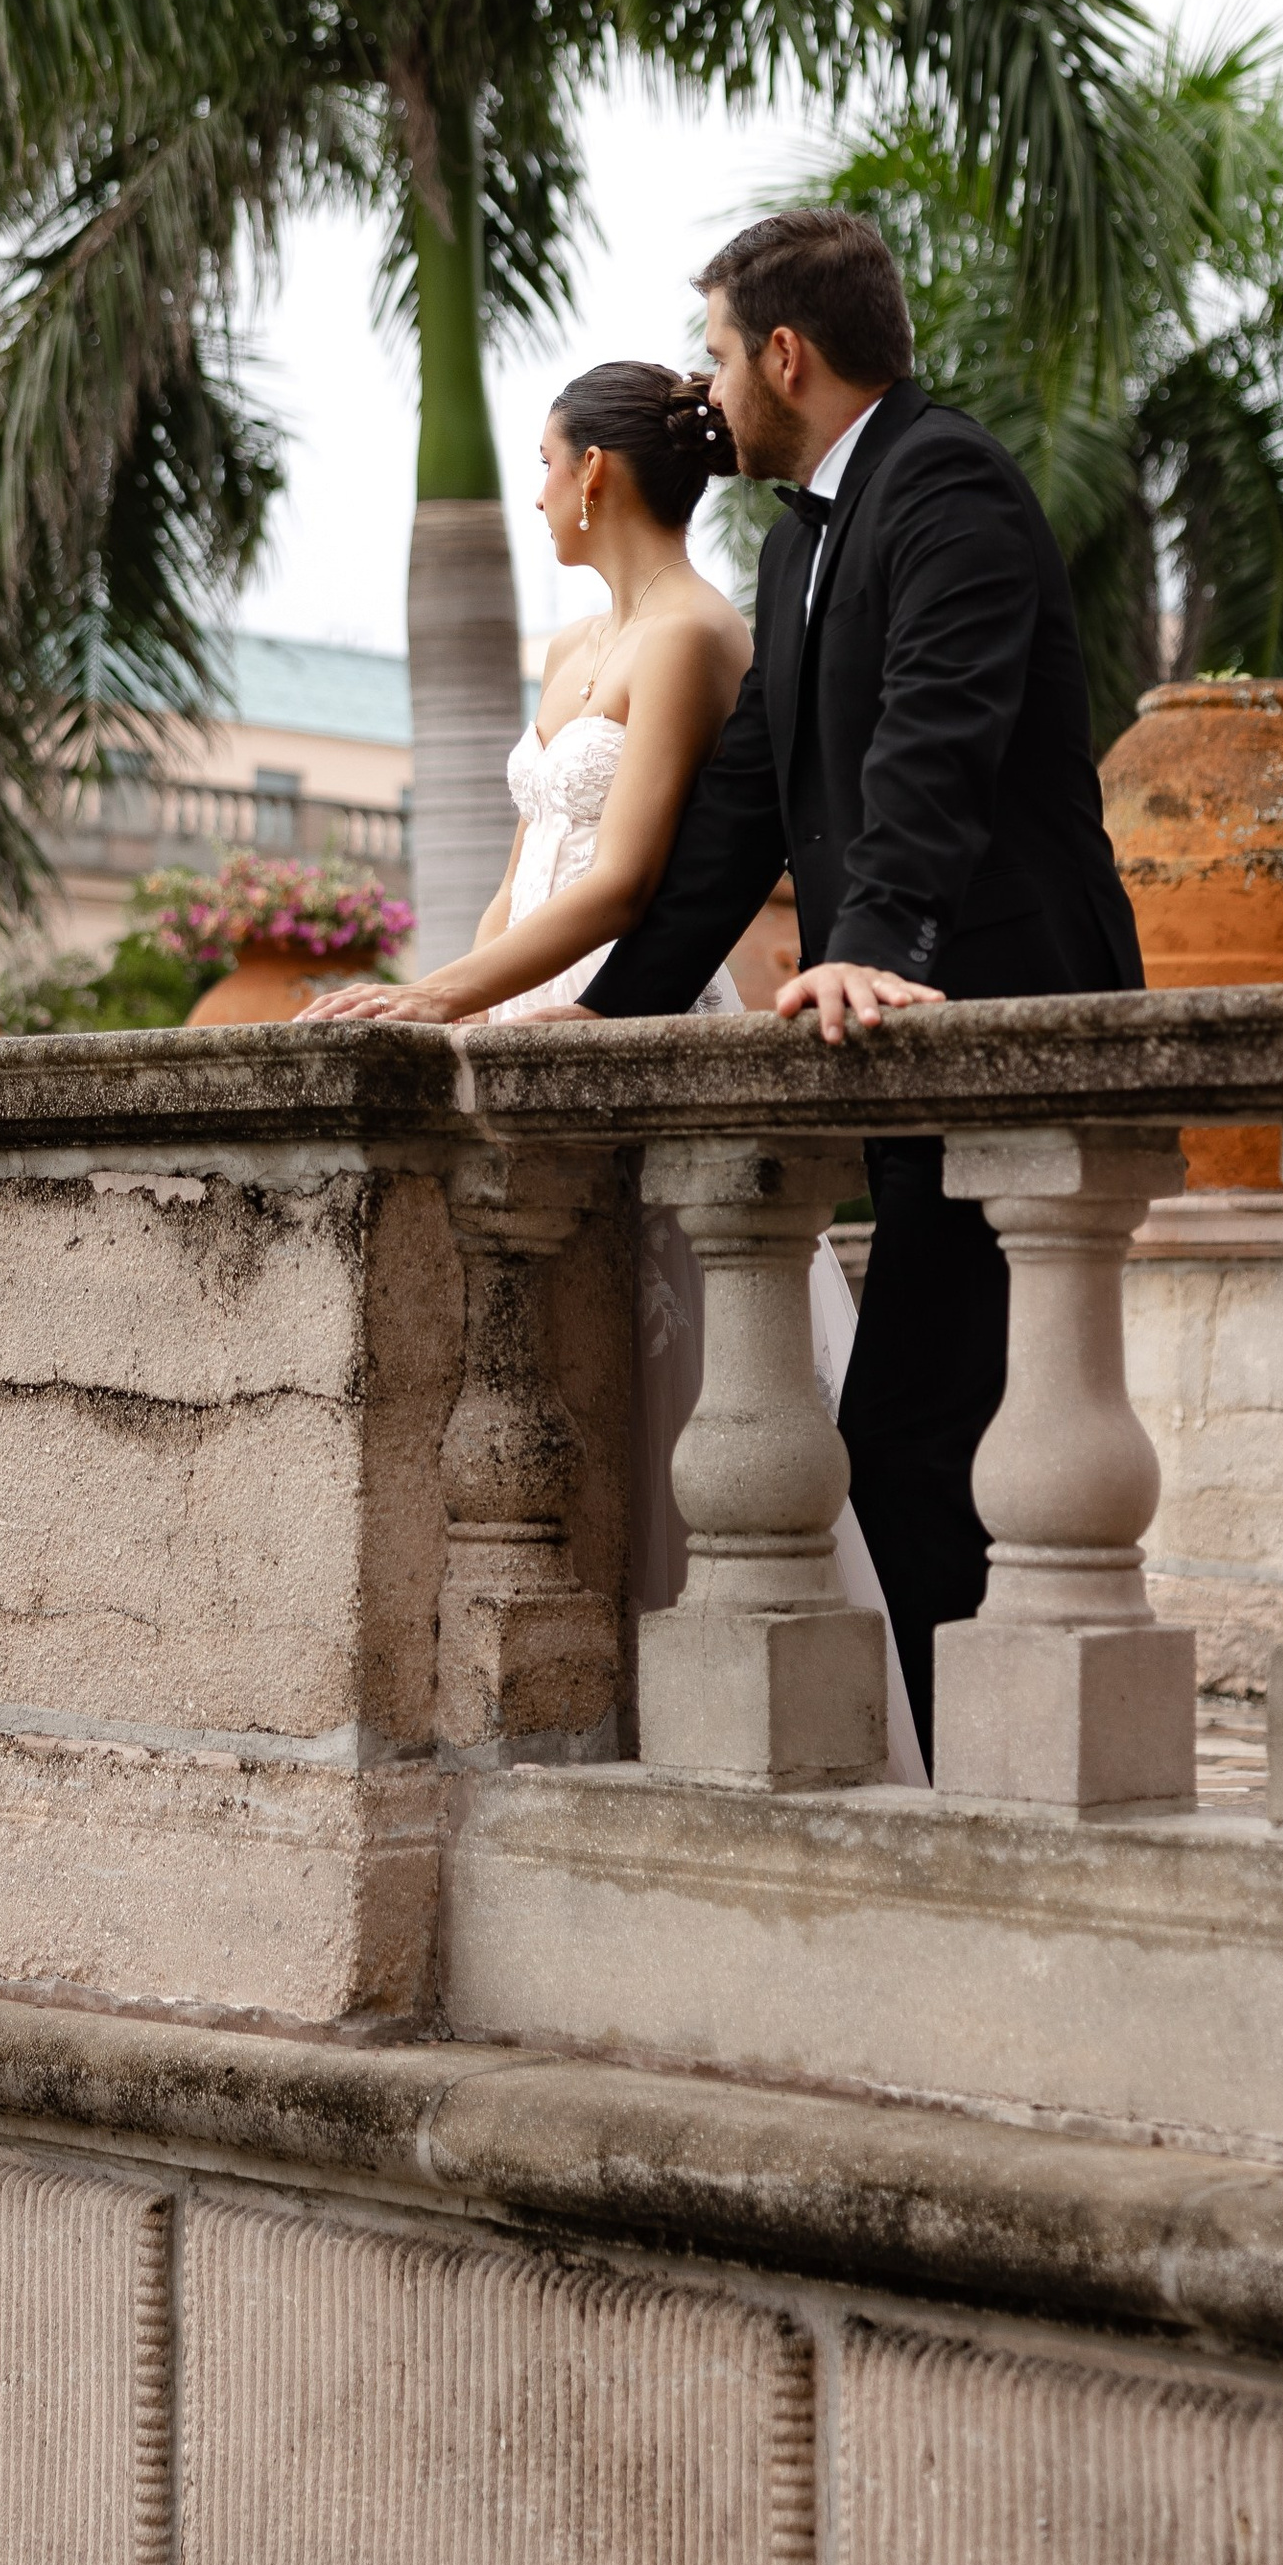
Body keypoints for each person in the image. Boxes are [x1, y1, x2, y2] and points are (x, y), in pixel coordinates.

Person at [300, 355, 928, 1784]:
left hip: (621, 1011)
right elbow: (526, 870)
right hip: (521, 1004)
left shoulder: (697, 634)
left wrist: (453, 998)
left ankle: (709, 1729)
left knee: (667, 1382)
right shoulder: (570, 648)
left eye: (543, 461)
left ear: (594, 472)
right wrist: (449, 1009)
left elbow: (628, 879)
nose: (534, 490)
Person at [571, 210, 1146, 1766]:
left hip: (1006, 1026)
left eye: (714, 353)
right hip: (900, 1047)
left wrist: (875, 939)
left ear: (784, 353)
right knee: (933, 1442)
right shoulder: (799, 537)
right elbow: (739, 815)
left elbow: (936, 743)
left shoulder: (948, 482)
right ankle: (986, 1785)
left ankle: (995, 1790)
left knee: (915, 1438)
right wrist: (609, 1014)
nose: (705, 390)